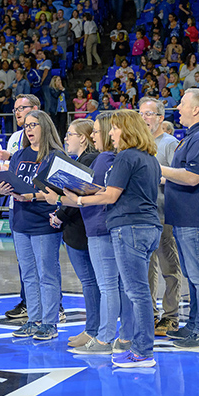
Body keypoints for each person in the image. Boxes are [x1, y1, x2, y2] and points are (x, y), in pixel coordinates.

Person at [70, 110, 162, 368]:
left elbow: (110, 196)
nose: (111, 133)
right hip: (149, 227)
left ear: (127, 130)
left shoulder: (125, 157)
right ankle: (141, 347)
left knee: (136, 292)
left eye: (115, 129)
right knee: (139, 291)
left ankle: (143, 351)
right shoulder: (149, 158)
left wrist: (76, 199)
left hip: (129, 227)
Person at [0, 110, 64, 340]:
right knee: (28, 274)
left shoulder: (55, 155)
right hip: (20, 220)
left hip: (44, 221)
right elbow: (11, 181)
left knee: (47, 273)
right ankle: (34, 320)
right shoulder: (19, 154)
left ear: (45, 126)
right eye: (26, 126)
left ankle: (50, 323)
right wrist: (3, 189)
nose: (30, 129)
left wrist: (33, 196)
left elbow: (60, 191)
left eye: (34, 124)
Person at [162, 88, 199, 348]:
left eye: (183, 104)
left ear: (195, 109)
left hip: (194, 218)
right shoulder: (194, 136)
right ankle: (195, 325)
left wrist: (157, 167)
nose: (178, 108)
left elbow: (192, 177)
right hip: (185, 217)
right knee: (193, 275)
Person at [51, 119, 101, 346]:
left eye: (70, 134)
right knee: (91, 282)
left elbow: (77, 197)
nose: (66, 139)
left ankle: (93, 330)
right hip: (79, 228)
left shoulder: (89, 159)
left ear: (83, 137)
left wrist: (60, 214)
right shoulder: (83, 159)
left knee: (90, 282)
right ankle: (93, 328)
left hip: (81, 230)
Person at [138, 97, 183, 336]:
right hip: (142, 215)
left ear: (160, 118)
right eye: (141, 113)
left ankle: (171, 315)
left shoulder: (169, 143)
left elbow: (179, 176)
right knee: (146, 269)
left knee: (168, 266)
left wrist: (155, 177)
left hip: (163, 214)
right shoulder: (137, 144)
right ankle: (150, 313)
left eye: (149, 114)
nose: (144, 118)